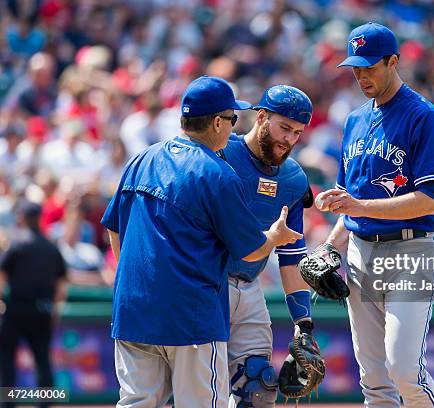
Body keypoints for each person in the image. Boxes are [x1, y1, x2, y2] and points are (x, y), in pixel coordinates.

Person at [100, 76, 302, 408]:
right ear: (218, 122)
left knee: (136, 402)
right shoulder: (217, 173)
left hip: (133, 310)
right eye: (232, 118)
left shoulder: (142, 159)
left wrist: (130, 283)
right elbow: (251, 250)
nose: (233, 127)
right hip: (191, 318)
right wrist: (275, 237)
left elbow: (114, 228)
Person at [317, 23, 434, 407]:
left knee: (405, 371)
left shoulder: (424, 117)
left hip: (410, 251)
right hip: (360, 251)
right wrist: (328, 247)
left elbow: (429, 201)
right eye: (356, 68)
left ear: (394, 61)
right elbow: (350, 202)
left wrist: (357, 206)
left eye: (370, 66)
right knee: (374, 381)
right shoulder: (355, 120)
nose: (361, 75)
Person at [219, 85, 315, 407]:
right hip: (206, 283)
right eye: (284, 127)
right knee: (202, 392)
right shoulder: (220, 152)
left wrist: (303, 325)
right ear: (261, 117)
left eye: (297, 133)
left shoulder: (294, 180)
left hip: (250, 287)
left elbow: (292, 256)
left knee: (260, 387)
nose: (289, 139)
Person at [0, 201, 67, 408]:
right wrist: (55, 308)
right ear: (39, 218)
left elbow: (1, 274)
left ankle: (8, 404)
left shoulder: (16, 243)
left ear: (21, 217)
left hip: (16, 309)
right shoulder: (50, 247)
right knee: (43, 361)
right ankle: (45, 404)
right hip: (42, 309)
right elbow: (62, 283)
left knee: (7, 360)